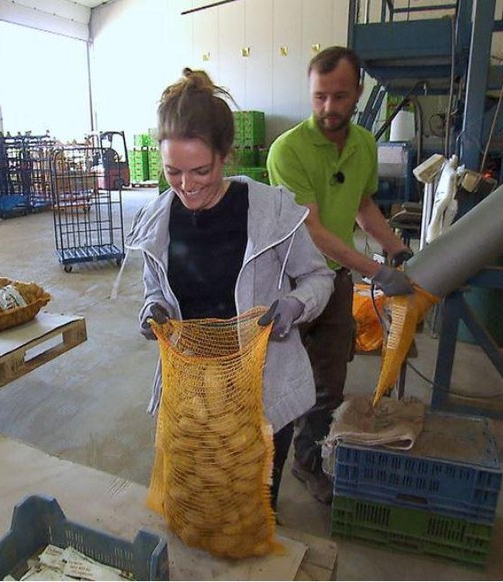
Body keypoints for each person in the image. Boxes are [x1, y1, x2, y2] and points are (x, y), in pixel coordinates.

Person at [126, 68, 335, 510]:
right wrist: (153, 310)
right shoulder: (156, 221)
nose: (186, 186)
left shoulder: (272, 213)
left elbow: (320, 277)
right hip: (192, 394)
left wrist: (295, 305)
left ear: (226, 156)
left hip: (258, 392)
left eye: (200, 170)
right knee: (199, 502)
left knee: (254, 505)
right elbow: (154, 290)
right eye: (172, 172)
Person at [267, 46, 414, 504]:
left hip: (336, 286)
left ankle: (307, 465)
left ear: (358, 93)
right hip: (288, 287)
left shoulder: (365, 145)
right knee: (279, 391)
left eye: (339, 96)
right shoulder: (287, 150)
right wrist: (376, 271)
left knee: (328, 387)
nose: (328, 108)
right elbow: (310, 230)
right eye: (319, 97)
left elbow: (363, 206)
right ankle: (262, 488)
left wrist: (397, 249)